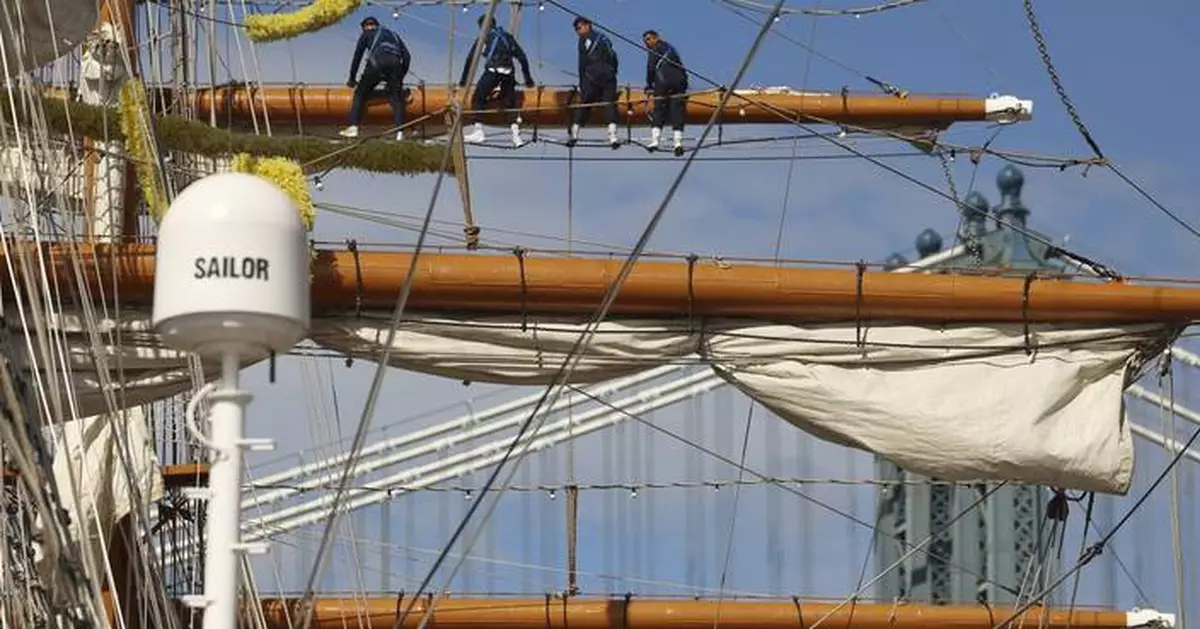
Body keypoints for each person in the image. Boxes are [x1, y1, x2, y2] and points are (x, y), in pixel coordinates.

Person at [458, 14, 535, 147]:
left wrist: (463, 81)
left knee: (478, 98)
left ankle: (478, 132)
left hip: (493, 71)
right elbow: (522, 57)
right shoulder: (507, 37)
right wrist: (528, 79)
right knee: (510, 104)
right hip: (509, 73)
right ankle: (516, 136)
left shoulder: (484, 37)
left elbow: (470, 59)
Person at [340, 16, 411, 141]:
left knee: (360, 94)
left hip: (376, 65)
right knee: (396, 98)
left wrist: (352, 79)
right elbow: (407, 56)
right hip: (395, 66)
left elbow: (357, 56)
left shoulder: (367, 34)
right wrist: (400, 76)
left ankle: (353, 127)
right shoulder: (394, 35)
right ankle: (400, 132)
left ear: (366, 27)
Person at [568, 16, 619, 149]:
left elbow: (582, 63)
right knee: (609, 104)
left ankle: (574, 134)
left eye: (579, 28)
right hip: (608, 75)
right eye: (576, 29)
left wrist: (582, 82)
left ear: (588, 25)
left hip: (591, 77)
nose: (578, 31)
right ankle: (613, 137)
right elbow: (613, 57)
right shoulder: (603, 38)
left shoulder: (585, 40)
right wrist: (613, 71)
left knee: (584, 103)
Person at [642, 29, 687, 156]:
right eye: (645, 41)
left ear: (656, 38)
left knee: (659, 110)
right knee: (677, 111)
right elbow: (680, 65)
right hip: (680, 82)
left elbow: (651, 68)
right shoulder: (671, 48)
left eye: (648, 39)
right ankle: (678, 143)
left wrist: (649, 85)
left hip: (663, 83)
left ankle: (655, 141)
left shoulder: (655, 48)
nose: (647, 43)